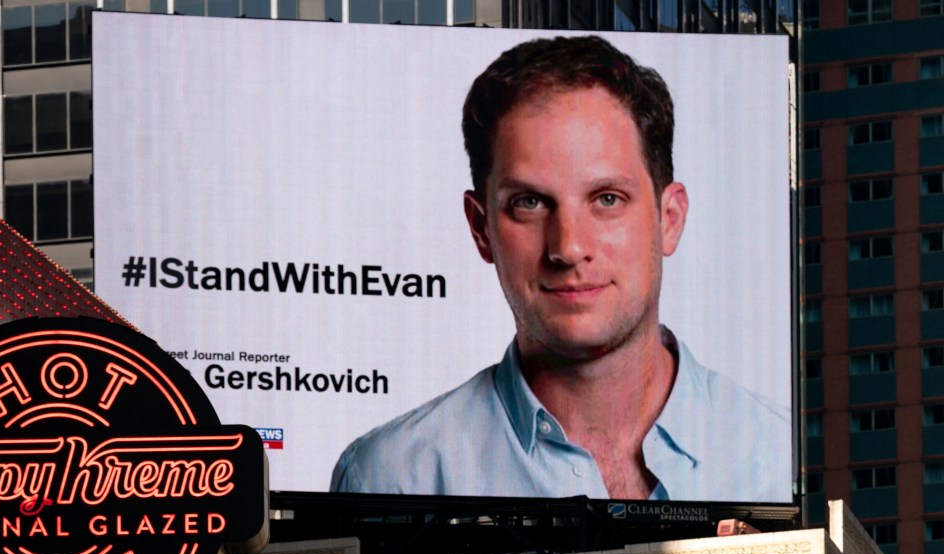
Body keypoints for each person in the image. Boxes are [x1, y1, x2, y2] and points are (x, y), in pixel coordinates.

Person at [330, 35, 790, 501]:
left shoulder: (780, 459)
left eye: (607, 199)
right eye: (528, 203)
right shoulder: (390, 479)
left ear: (669, 220)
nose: (568, 248)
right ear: (481, 228)